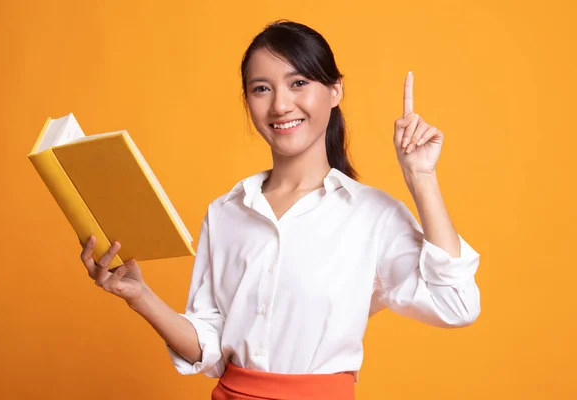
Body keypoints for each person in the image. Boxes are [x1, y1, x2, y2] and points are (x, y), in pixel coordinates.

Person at [79, 20, 481, 400]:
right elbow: (212, 349)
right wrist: (140, 296)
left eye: (299, 83)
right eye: (261, 88)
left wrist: (420, 176)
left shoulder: (371, 216)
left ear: (335, 90)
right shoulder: (225, 213)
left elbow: (457, 305)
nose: (280, 105)